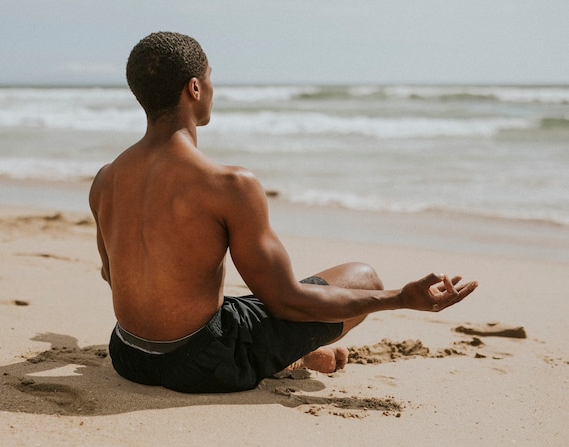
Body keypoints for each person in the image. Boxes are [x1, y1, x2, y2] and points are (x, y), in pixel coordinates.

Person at [89, 32, 478, 393]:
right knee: (364, 278)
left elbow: (113, 275)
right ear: (194, 88)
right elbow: (286, 302)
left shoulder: (106, 180)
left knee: (231, 305)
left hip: (129, 355)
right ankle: (289, 357)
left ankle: (295, 355)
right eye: (209, 79)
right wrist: (399, 298)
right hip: (204, 365)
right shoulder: (228, 184)